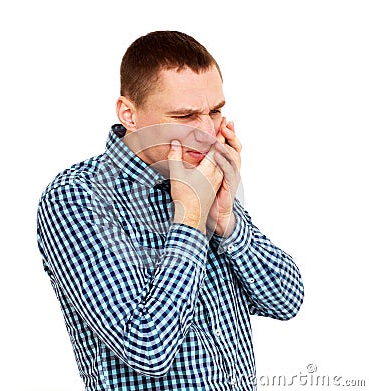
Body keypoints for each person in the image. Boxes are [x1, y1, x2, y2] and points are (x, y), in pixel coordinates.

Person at [37, 31, 304, 391]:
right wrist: (190, 222)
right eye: (185, 115)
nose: (208, 132)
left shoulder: (205, 175)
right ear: (128, 114)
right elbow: (147, 349)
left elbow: (286, 302)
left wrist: (226, 222)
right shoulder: (76, 197)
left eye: (215, 111)